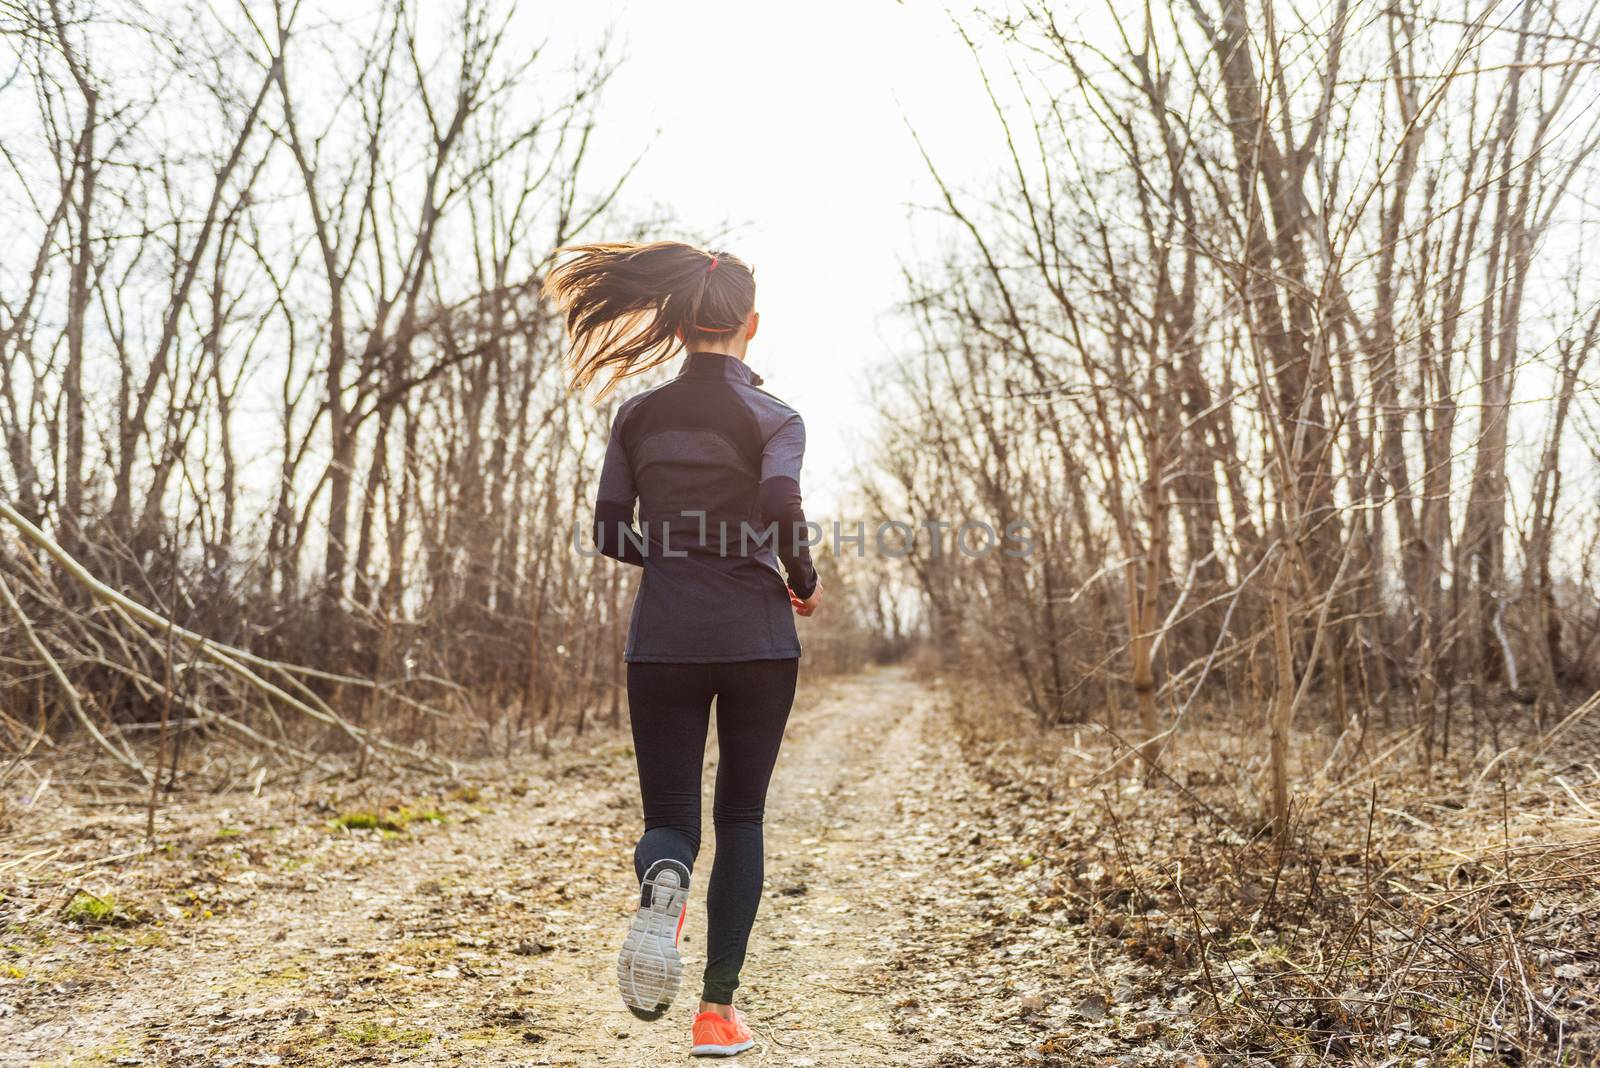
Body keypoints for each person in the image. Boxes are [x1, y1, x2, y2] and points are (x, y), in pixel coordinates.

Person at [544, 241, 822, 1058]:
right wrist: (796, 575)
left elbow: (606, 531)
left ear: (678, 323)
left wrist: (668, 556)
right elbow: (778, 498)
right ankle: (715, 1015)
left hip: (662, 638)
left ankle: (662, 887)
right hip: (755, 641)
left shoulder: (637, 415)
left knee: (671, 817)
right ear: (751, 326)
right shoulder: (776, 418)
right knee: (740, 815)